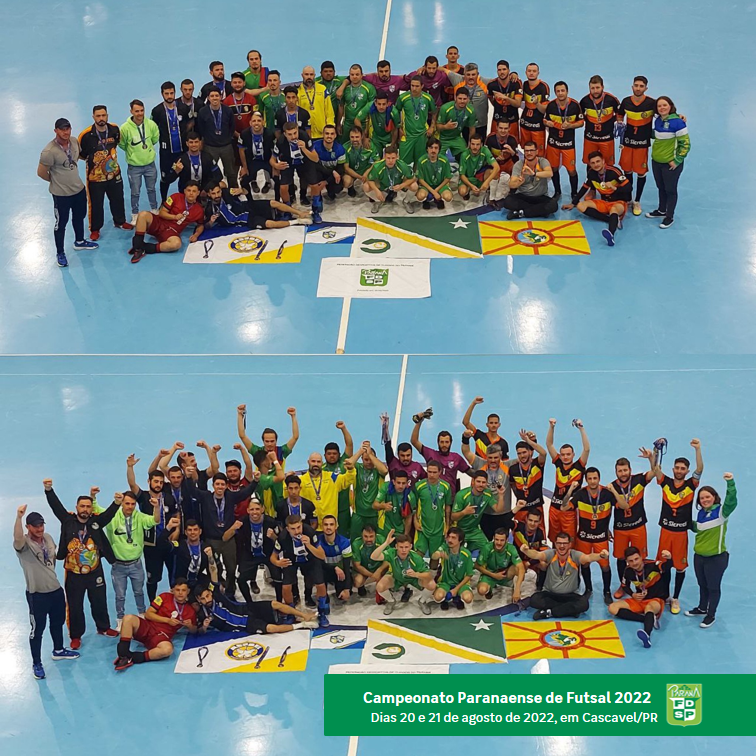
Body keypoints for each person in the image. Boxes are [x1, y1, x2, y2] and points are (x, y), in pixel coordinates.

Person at [43, 479, 119, 648]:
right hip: (73, 573)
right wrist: (49, 490)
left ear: (92, 509)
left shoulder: (96, 522)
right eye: (82, 506)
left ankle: (103, 627)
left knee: (99, 601)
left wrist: (116, 503)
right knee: (75, 605)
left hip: (95, 571)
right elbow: (56, 506)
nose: (85, 509)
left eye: (88, 506)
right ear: (76, 507)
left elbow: (109, 515)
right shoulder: (67, 520)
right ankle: (76, 636)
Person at [14, 505, 80, 679]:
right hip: (37, 595)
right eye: (35, 526)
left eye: (41, 525)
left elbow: (52, 559)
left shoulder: (48, 538)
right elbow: (17, 538)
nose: (39, 529)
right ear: (28, 527)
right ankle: (36, 663)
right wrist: (19, 517)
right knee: (37, 630)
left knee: (57, 623)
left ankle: (58, 650)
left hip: (55, 590)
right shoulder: (23, 544)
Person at [38, 117, 99, 268]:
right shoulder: (49, 151)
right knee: (61, 224)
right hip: (61, 195)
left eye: (68, 129)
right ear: (56, 131)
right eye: (62, 129)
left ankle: (79, 241)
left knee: (79, 217)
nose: (66, 132)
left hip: (78, 190)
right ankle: (60, 252)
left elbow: (77, 158)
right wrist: (56, 181)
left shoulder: (74, 141)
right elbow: (41, 172)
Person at [653, 439, 703, 614]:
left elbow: (700, 469)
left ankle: (675, 598)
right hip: (666, 532)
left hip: (681, 533)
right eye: (677, 468)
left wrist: (697, 449)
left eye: (683, 469)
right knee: (664, 565)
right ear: (673, 469)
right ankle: (665, 595)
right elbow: (655, 469)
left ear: (687, 471)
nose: (679, 471)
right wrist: (655, 450)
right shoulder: (665, 482)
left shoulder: (691, 485)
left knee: (680, 567)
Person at [99, 491, 160, 628]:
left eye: (133, 504)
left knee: (139, 592)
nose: (130, 507)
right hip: (118, 565)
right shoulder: (112, 515)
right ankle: (120, 619)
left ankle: (142, 614)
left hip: (136, 564)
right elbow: (96, 510)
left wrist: (156, 507)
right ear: (121, 503)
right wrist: (93, 496)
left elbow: (155, 520)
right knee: (120, 595)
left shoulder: (139, 516)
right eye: (127, 503)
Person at [685, 473, 737, 628]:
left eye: (708, 497)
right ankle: (702, 608)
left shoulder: (722, 512)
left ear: (714, 497)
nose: (705, 500)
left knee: (713, 587)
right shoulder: (701, 513)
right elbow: (699, 529)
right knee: (702, 584)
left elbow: (731, 500)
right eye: (702, 498)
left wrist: (730, 482)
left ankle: (711, 615)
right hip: (699, 557)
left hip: (716, 558)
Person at [192, 472, 257, 594]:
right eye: (217, 484)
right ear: (213, 485)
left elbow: (245, 493)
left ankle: (230, 590)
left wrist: (255, 481)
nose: (220, 487)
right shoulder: (206, 497)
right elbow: (192, 491)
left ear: (226, 486)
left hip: (228, 540)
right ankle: (217, 589)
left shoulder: (230, 497)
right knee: (214, 568)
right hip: (211, 540)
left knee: (231, 568)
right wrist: (188, 477)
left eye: (222, 484)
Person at [567, 468, 624, 604]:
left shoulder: (607, 493)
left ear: (599, 479)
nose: (592, 481)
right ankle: (588, 589)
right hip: (584, 537)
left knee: (605, 566)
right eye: (590, 479)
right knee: (585, 564)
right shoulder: (581, 493)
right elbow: (564, 507)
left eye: (595, 478)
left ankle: (607, 592)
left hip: (601, 538)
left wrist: (614, 491)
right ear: (586, 480)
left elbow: (624, 506)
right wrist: (570, 491)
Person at [114, 579, 197, 671]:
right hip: (147, 627)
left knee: (167, 649)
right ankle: (123, 655)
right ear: (172, 590)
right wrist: (167, 620)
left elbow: (194, 630)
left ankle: (133, 657)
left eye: (183, 590)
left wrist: (190, 625)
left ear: (188, 591)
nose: (180, 593)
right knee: (128, 618)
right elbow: (148, 614)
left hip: (161, 636)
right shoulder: (164, 597)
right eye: (177, 590)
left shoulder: (190, 611)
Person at [523, 532, 608, 619]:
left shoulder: (575, 555)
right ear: (555, 544)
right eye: (559, 543)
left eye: (565, 543)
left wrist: (600, 555)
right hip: (551, 594)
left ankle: (550, 612)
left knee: (584, 604)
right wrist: (526, 551)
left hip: (570, 595)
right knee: (534, 600)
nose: (562, 546)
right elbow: (537, 554)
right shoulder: (551, 554)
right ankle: (569, 610)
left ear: (569, 544)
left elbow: (588, 557)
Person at [77, 106, 130, 240]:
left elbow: (116, 144)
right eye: (98, 116)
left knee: (118, 199)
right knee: (96, 203)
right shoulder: (85, 135)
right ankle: (95, 229)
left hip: (114, 173)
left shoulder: (114, 129)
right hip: (95, 178)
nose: (101, 118)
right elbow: (81, 154)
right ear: (93, 117)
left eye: (103, 115)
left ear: (107, 115)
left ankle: (120, 221)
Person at [611, 450, 656, 598]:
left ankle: (642, 585)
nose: (623, 473)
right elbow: (607, 510)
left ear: (630, 470)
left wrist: (651, 458)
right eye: (620, 471)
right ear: (616, 472)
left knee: (640, 558)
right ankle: (623, 586)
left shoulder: (639, 480)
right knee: (620, 559)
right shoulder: (612, 488)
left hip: (638, 526)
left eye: (625, 470)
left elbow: (655, 472)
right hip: (620, 529)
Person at [562, 151, 631, 247]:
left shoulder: (614, 171)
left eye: (598, 161)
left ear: (603, 161)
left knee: (614, 209)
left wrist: (614, 188)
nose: (596, 165)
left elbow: (629, 188)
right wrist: (573, 203)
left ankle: (611, 234)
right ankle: (612, 220)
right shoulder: (591, 173)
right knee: (581, 206)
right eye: (593, 163)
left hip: (618, 203)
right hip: (603, 202)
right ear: (590, 164)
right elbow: (584, 187)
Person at [270, 515, 330, 626]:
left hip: (310, 559)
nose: (297, 531)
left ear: (302, 525)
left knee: (320, 585)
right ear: (287, 529)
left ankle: (322, 613)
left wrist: (309, 545)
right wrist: (278, 563)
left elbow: (322, 555)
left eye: (298, 527)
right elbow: (273, 557)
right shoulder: (282, 537)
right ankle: (290, 613)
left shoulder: (310, 532)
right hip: (291, 560)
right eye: (293, 529)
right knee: (286, 587)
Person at [195, 582, 318, 634]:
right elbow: (199, 632)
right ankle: (301, 625)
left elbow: (213, 571)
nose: (207, 600)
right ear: (198, 599)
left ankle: (304, 615)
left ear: (210, 593)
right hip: (245, 624)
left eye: (207, 596)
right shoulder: (202, 614)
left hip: (247, 608)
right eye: (203, 599)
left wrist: (210, 556)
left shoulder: (217, 594)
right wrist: (204, 627)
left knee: (275, 604)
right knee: (271, 628)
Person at [128, 180, 205, 263]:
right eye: (189, 190)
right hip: (159, 223)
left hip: (172, 232)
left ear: (198, 193)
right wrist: (174, 217)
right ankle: (138, 247)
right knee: (143, 214)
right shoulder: (175, 197)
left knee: (176, 244)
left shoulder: (199, 210)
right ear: (184, 191)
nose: (191, 193)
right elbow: (161, 212)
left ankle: (142, 247)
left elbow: (200, 225)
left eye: (194, 191)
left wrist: (196, 235)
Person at [609, 547, 671, 648]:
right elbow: (624, 586)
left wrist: (669, 559)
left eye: (636, 559)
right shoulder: (628, 571)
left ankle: (647, 635)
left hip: (655, 600)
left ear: (641, 557)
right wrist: (633, 594)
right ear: (627, 562)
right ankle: (648, 619)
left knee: (649, 609)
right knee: (612, 608)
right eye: (631, 561)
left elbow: (666, 567)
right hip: (639, 600)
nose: (634, 563)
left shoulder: (653, 565)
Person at [238, 404, 299, 504]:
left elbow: (295, 437)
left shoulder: (282, 451)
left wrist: (293, 416)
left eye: (272, 441)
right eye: (267, 441)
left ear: (276, 441)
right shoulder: (258, 452)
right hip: (261, 491)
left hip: (278, 493)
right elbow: (242, 436)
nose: (270, 444)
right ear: (263, 441)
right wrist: (240, 415)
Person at [646, 95, 690, 229]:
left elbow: (685, 144)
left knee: (670, 190)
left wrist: (677, 161)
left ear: (670, 106)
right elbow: (657, 135)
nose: (662, 108)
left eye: (664, 105)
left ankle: (669, 216)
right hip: (656, 161)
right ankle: (661, 210)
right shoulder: (658, 120)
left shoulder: (678, 123)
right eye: (659, 106)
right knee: (661, 187)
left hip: (670, 164)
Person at [545, 417, 590, 543]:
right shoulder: (558, 463)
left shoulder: (579, 466)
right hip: (554, 508)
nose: (565, 457)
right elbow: (549, 444)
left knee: (569, 541)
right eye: (563, 454)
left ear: (573, 455)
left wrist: (581, 429)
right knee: (554, 540)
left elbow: (586, 449)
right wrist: (551, 427)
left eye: (568, 454)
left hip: (569, 510)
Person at [371, 530, 436, 615]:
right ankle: (391, 601)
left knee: (432, 584)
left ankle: (422, 601)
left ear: (410, 547)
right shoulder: (391, 552)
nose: (404, 550)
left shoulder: (416, 558)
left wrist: (416, 574)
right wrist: (386, 543)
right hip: (396, 577)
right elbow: (374, 557)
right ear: (396, 547)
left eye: (406, 547)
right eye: (401, 547)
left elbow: (429, 576)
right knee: (380, 586)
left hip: (413, 579)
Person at [230, 498, 282, 603]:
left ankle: (279, 601)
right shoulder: (242, 522)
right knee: (241, 580)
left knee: (278, 578)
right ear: (248, 510)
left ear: (262, 509)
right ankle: (249, 603)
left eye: (257, 509)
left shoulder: (271, 522)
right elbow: (225, 538)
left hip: (268, 554)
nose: (255, 512)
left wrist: (273, 536)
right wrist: (233, 528)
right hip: (250, 554)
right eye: (252, 509)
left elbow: (281, 541)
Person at [617, 76, 656, 215]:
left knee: (640, 172)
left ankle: (637, 200)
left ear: (646, 88)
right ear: (632, 87)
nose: (638, 88)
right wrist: (620, 123)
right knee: (627, 171)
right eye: (636, 85)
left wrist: (678, 116)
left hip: (642, 144)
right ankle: (628, 199)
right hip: (627, 143)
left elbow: (665, 114)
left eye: (641, 86)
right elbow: (620, 114)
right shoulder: (626, 101)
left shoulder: (652, 103)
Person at [460, 438, 512, 539]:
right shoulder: (480, 463)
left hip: (503, 514)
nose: (493, 460)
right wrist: (465, 438)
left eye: (496, 457)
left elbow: (526, 459)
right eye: (490, 457)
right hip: (484, 513)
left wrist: (531, 441)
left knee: (502, 543)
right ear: (486, 456)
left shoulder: (508, 465)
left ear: (501, 456)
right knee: (486, 543)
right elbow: (466, 452)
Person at [204, 182, 312, 230]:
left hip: (248, 206)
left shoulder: (226, 192)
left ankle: (300, 213)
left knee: (274, 203)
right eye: (213, 193)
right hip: (246, 219)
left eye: (218, 192)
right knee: (269, 224)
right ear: (208, 194)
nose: (217, 195)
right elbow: (207, 226)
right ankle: (297, 221)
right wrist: (211, 222)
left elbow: (246, 192)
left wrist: (241, 190)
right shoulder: (209, 209)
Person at [119, 100, 160, 225]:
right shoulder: (125, 128)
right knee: (135, 192)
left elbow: (155, 139)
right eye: (136, 111)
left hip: (150, 164)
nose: (140, 113)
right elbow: (122, 144)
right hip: (134, 167)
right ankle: (135, 214)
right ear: (131, 111)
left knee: (151, 189)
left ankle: (154, 209)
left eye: (142, 110)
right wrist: (133, 154)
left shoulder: (151, 124)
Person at [411, 411, 470, 493]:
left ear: (451, 442)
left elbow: (471, 472)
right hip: (432, 496)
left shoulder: (456, 458)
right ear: (438, 443)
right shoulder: (430, 454)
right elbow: (414, 441)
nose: (444, 445)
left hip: (450, 497)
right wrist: (419, 422)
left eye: (446, 442)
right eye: (441, 442)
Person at [151, 81, 191, 202]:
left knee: (184, 176)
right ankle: (163, 202)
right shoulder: (157, 111)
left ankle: (184, 202)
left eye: (171, 93)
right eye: (166, 93)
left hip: (182, 151)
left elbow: (190, 122)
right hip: (166, 153)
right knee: (165, 178)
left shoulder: (184, 108)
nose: (169, 96)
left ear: (175, 93)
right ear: (162, 94)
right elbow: (152, 128)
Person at [451, 471, 509, 552]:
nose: (481, 484)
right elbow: (453, 517)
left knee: (487, 549)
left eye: (483, 482)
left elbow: (498, 509)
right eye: (478, 481)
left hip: (474, 530)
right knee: (457, 552)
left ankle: (473, 553)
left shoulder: (487, 494)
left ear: (486, 483)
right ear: (473, 481)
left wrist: (501, 495)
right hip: (459, 529)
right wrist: (464, 512)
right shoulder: (461, 495)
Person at [270, 122, 320, 216]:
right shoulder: (281, 141)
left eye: (295, 133)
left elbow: (316, 158)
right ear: (285, 134)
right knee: (283, 187)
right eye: (290, 134)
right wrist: (276, 165)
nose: (293, 137)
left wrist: (304, 149)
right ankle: (287, 209)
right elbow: (272, 159)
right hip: (288, 162)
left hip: (305, 161)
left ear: (298, 130)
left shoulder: (304, 136)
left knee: (314, 185)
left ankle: (316, 209)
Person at [544, 81, 583, 201]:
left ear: (567, 91)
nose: (560, 93)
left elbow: (581, 122)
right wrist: (547, 123)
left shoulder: (575, 105)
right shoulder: (551, 106)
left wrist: (571, 125)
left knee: (571, 170)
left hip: (568, 144)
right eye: (558, 91)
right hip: (553, 143)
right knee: (554, 168)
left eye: (563, 91)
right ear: (555, 92)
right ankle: (557, 192)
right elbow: (544, 120)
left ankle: (574, 193)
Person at [343, 440, 388, 541]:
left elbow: (385, 471)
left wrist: (370, 455)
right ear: (362, 459)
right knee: (355, 541)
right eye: (366, 459)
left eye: (371, 459)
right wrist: (361, 451)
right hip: (358, 514)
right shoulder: (358, 468)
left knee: (374, 541)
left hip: (374, 514)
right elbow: (347, 464)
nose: (368, 462)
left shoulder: (377, 470)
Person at [502, 141, 557, 219]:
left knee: (553, 205)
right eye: (526, 151)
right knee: (507, 202)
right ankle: (539, 211)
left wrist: (534, 173)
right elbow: (511, 185)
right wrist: (518, 183)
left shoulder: (542, 161)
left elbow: (550, 173)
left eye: (531, 150)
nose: (529, 153)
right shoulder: (519, 164)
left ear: (536, 151)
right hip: (523, 196)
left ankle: (521, 212)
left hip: (540, 196)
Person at [411, 460, 452, 566]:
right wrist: (415, 521)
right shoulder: (419, 486)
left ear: (440, 472)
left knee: (435, 555)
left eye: (434, 472)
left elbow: (447, 507)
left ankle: (432, 574)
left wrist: (447, 525)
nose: (431, 475)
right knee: (418, 554)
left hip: (438, 528)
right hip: (422, 527)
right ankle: (416, 574)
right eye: (429, 472)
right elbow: (414, 506)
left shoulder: (446, 486)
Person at [299, 452, 356, 526]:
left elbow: (347, 480)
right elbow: (290, 493)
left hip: (329, 525)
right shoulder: (301, 481)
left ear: (322, 463)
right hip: (310, 525)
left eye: (318, 462)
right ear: (308, 462)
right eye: (313, 461)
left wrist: (351, 469)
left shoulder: (332, 477)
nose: (316, 464)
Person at [392, 76, 437, 168]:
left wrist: (432, 126)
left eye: (417, 86)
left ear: (422, 86)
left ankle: (417, 177)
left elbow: (434, 112)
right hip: (407, 135)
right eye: (412, 86)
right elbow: (396, 112)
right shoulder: (403, 98)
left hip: (422, 135)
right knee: (403, 163)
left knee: (420, 162)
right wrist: (399, 128)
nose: (414, 88)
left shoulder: (428, 98)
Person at [197, 89, 238, 188]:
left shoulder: (228, 110)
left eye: (216, 95)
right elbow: (201, 128)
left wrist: (226, 138)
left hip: (226, 146)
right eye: (212, 96)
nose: (214, 98)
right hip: (210, 147)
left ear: (220, 97)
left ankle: (233, 192)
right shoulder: (203, 112)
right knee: (209, 171)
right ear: (208, 98)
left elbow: (232, 127)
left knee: (231, 172)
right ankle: (209, 192)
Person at [363, 145, 417, 213]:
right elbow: (370, 180)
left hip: (398, 184)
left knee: (414, 186)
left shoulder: (402, 165)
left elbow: (413, 178)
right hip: (383, 184)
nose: (390, 161)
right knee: (366, 186)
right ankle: (378, 201)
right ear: (384, 157)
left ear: (397, 157)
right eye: (388, 158)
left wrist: (401, 185)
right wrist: (377, 191)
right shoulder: (377, 166)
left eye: (393, 158)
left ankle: (406, 201)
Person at [508, 430, 547, 524]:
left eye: (524, 452)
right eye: (519, 453)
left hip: (537, 507)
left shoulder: (537, 464)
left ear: (530, 452)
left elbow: (543, 453)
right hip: (521, 509)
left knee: (538, 532)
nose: (522, 455)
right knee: (519, 533)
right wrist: (519, 496)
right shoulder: (513, 469)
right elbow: (512, 485)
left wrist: (528, 440)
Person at [476, 527, 525, 601]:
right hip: (490, 574)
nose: (499, 543)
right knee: (482, 590)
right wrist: (494, 575)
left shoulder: (511, 549)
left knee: (518, 569)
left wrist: (517, 590)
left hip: (505, 574)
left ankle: (515, 589)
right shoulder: (487, 548)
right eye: (496, 539)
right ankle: (489, 589)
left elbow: (521, 568)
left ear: (507, 540)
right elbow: (477, 565)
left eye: (502, 540)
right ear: (493, 538)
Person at [579, 75, 620, 165]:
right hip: (590, 139)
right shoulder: (584, 101)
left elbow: (619, 114)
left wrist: (611, 121)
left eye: (597, 87)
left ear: (602, 87)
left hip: (607, 138)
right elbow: (580, 116)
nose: (595, 91)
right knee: (590, 163)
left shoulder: (612, 100)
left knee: (608, 165)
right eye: (592, 88)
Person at [432, 527, 475, 609]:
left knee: (468, 598)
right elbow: (434, 556)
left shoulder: (466, 554)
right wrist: (439, 554)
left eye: (453, 538)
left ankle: (457, 597)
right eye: (449, 537)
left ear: (460, 540)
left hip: (460, 583)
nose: (450, 540)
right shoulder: (444, 547)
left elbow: (469, 575)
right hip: (445, 582)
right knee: (438, 597)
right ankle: (445, 599)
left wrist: (456, 589)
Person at [446, 63, 491, 134]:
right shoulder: (458, 80)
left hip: (480, 124)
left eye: (473, 74)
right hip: (462, 125)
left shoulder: (485, 82)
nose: (471, 77)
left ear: (478, 75)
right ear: (464, 75)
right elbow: (443, 70)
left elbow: (499, 80)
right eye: (468, 74)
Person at [336, 64, 376, 144]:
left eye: (357, 74)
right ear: (349, 75)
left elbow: (372, 110)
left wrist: (369, 128)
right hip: (347, 124)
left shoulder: (369, 88)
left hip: (363, 124)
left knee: (362, 145)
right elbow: (341, 107)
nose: (354, 77)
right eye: (352, 74)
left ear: (362, 75)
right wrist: (338, 124)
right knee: (344, 146)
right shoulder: (345, 88)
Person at [319, 515, 353, 605]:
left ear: (336, 526)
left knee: (342, 597)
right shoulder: (317, 542)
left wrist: (347, 588)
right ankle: (323, 594)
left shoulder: (345, 542)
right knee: (317, 572)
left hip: (340, 573)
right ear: (322, 526)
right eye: (326, 524)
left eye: (331, 524)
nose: (328, 527)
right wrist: (334, 568)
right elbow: (318, 564)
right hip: (325, 571)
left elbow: (347, 566)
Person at [311, 124, 347, 208]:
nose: (329, 136)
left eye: (332, 134)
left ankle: (330, 190)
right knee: (313, 176)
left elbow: (340, 169)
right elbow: (315, 166)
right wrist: (332, 171)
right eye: (327, 133)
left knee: (337, 188)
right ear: (323, 134)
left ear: (335, 135)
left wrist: (326, 182)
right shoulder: (315, 147)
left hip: (332, 175)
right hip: (320, 172)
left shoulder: (340, 149)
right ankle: (317, 197)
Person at [436, 87, 476, 163]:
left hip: (456, 137)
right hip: (442, 138)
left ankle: (461, 165)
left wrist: (471, 144)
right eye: (460, 98)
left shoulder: (471, 111)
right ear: (455, 98)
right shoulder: (445, 108)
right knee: (436, 159)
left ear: (468, 99)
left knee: (466, 156)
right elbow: (438, 126)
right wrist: (445, 127)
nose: (462, 101)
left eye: (464, 99)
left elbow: (472, 129)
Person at [485, 120, 519, 207]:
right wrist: (495, 160)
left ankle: (512, 192)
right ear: (496, 127)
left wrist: (512, 152)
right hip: (494, 164)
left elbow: (517, 161)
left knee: (517, 171)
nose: (503, 131)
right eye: (500, 128)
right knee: (488, 175)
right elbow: (485, 157)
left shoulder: (512, 140)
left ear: (509, 128)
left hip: (508, 164)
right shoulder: (490, 139)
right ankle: (490, 193)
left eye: (505, 128)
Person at [488, 60, 523, 143]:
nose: (502, 72)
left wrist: (505, 98)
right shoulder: (492, 85)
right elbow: (490, 98)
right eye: (499, 70)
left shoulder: (516, 83)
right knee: (494, 143)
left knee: (512, 144)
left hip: (512, 120)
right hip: (497, 119)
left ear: (509, 70)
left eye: (504, 69)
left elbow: (518, 104)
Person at [239, 112, 275, 193]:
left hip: (267, 160)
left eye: (259, 121)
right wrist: (244, 167)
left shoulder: (270, 134)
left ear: (263, 122)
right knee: (244, 179)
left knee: (277, 177)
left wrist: (274, 167)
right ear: (250, 123)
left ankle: (274, 193)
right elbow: (241, 150)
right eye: (254, 121)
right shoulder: (244, 134)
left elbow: (274, 151)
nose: (256, 123)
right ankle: (252, 187)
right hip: (252, 160)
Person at [513, 509, 549, 590]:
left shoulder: (540, 532)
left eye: (536, 521)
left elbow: (543, 553)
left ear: (540, 522)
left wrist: (530, 563)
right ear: (526, 519)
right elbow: (505, 521)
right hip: (517, 560)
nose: (532, 523)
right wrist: (516, 509)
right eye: (530, 520)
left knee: (544, 564)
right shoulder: (518, 526)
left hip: (531, 560)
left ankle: (539, 587)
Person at [172, 520, 212, 592]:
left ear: (200, 531)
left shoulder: (206, 548)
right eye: (190, 530)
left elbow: (214, 567)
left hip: (199, 584)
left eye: (195, 529)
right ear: (185, 532)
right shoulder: (179, 546)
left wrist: (217, 584)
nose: (192, 532)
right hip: (181, 584)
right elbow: (163, 544)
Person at [414, 137, 453, 210]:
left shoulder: (444, 160)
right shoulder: (421, 161)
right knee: (420, 196)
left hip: (440, 185)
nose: (433, 150)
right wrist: (433, 192)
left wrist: (436, 190)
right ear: (427, 149)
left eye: (436, 148)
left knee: (448, 197)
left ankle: (439, 199)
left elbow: (448, 177)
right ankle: (426, 200)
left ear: (439, 149)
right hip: (426, 186)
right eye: (431, 147)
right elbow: (420, 179)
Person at [457, 134, 499, 202]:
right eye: (473, 144)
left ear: (481, 144)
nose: (475, 147)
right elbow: (462, 175)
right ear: (469, 144)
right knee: (462, 191)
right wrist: (471, 186)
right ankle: (469, 190)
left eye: (477, 144)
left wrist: (486, 182)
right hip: (468, 178)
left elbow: (497, 167)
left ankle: (491, 196)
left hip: (479, 175)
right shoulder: (464, 155)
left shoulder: (485, 151)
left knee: (495, 174)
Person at [519, 64, 550, 156]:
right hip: (525, 124)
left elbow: (544, 110)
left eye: (534, 71)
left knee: (538, 153)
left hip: (538, 126)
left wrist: (537, 103)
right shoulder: (524, 85)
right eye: (529, 71)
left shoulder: (543, 87)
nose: (531, 73)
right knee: (526, 150)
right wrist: (514, 74)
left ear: (538, 73)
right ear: (526, 73)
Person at [351, 524, 389, 598]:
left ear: (375, 535)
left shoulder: (382, 540)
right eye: (365, 536)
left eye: (371, 536)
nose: (368, 539)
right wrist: (372, 576)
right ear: (362, 535)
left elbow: (388, 559)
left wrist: (379, 570)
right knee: (358, 582)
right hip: (364, 569)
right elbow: (357, 565)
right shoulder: (356, 544)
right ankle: (361, 587)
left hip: (379, 567)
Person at [298, 65, 335, 139]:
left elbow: (329, 111)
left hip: (322, 133)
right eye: (306, 74)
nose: (309, 77)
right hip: (305, 133)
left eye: (311, 74)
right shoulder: (298, 91)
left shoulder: (322, 89)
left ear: (314, 75)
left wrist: (330, 127)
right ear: (302, 75)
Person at [374, 469, 413, 536]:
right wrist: (383, 506)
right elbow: (374, 505)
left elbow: (409, 518)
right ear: (394, 482)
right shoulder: (386, 487)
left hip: (400, 531)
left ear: (407, 483)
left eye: (403, 483)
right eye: (398, 483)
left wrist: (405, 535)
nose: (401, 486)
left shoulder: (410, 496)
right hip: (384, 529)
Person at [343, 125, 377, 197]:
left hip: (366, 172)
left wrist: (366, 173)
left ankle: (370, 193)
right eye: (352, 137)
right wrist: (359, 177)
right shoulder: (345, 148)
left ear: (361, 137)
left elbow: (376, 162)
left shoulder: (369, 146)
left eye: (357, 137)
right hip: (353, 172)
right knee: (346, 181)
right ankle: (350, 187)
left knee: (367, 186)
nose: (354, 139)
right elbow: (346, 168)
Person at [223, 72, 257, 139]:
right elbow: (226, 122)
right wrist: (237, 135)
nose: (237, 84)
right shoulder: (226, 102)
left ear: (244, 83)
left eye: (239, 82)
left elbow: (255, 117)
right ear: (231, 84)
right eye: (235, 82)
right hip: (233, 137)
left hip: (250, 135)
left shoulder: (251, 99)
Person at [365, 91, 396, 157]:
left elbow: (396, 129)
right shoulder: (370, 107)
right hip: (376, 138)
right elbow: (357, 120)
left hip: (388, 139)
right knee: (376, 159)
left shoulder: (394, 112)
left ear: (387, 104)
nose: (381, 107)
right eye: (379, 104)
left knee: (389, 160)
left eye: (384, 104)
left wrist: (393, 143)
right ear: (375, 103)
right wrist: (364, 138)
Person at [258, 70, 286, 137]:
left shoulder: (285, 96)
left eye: (275, 80)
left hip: (284, 131)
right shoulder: (262, 97)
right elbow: (260, 114)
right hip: (268, 131)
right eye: (270, 80)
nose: (272, 83)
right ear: (267, 82)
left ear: (279, 82)